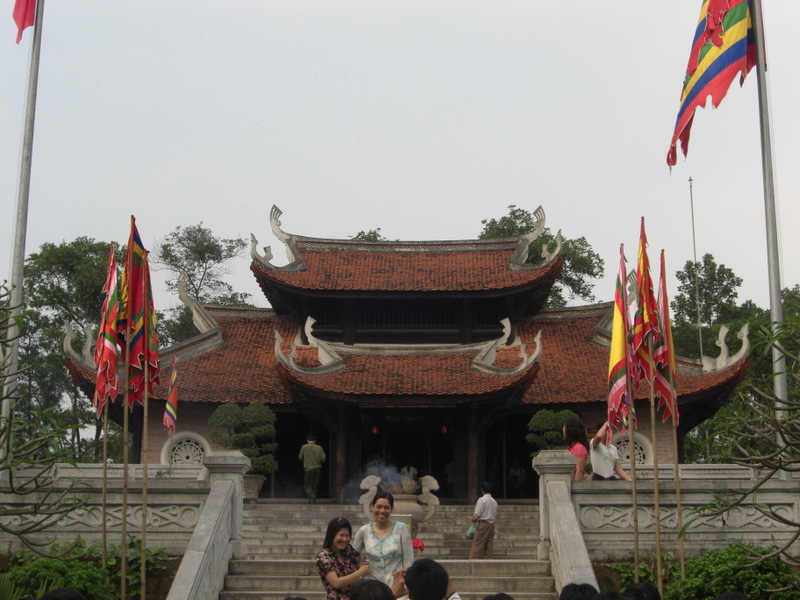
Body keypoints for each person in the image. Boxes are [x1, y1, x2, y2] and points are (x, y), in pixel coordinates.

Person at [353, 491, 414, 594]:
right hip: (372, 588)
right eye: (379, 507)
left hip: (396, 588)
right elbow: (351, 555)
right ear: (373, 507)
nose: (382, 511)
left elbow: (409, 560)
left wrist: (406, 584)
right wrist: (358, 565)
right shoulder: (364, 531)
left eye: (386, 507)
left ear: (391, 509)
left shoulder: (401, 529)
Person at [317, 517, 372, 600]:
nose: (344, 539)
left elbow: (359, 564)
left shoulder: (348, 550)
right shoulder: (323, 557)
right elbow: (336, 583)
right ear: (332, 535)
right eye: (341, 535)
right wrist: (360, 573)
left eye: (347, 536)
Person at [468, 481, 497, 559]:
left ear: (482, 490)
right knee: (489, 545)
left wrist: (474, 519)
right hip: (491, 524)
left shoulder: (482, 500)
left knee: (477, 543)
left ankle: (473, 560)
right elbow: (495, 513)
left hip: (484, 523)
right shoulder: (494, 501)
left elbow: (477, 513)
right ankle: (487, 560)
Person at [299, 433, 326, 503]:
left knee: (307, 486)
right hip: (317, 469)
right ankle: (312, 501)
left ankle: (311, 496)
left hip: (308, 469)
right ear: (315, 441)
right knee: (314, 486)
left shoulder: (304, 447)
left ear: (307, 440)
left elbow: (300, 457)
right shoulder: (319, 448)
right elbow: (323, 459)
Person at [563, 417, 590, 481]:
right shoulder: (571, 447)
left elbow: (579, 471)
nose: (563, 429)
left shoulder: (579, 448)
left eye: (564, 427)